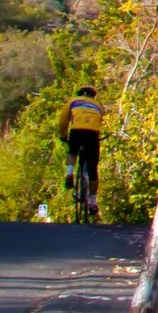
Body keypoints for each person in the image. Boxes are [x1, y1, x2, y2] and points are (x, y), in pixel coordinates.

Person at [56, 85, 105, 217]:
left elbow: (63, 120)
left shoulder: (73, 101)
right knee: (93, 169)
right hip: (92, 135)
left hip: (77, 131)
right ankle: (93, 203)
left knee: (72, 152)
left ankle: (69, 173)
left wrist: (63, 135)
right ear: (93, 96)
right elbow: (98, 123)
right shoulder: (99, 106)